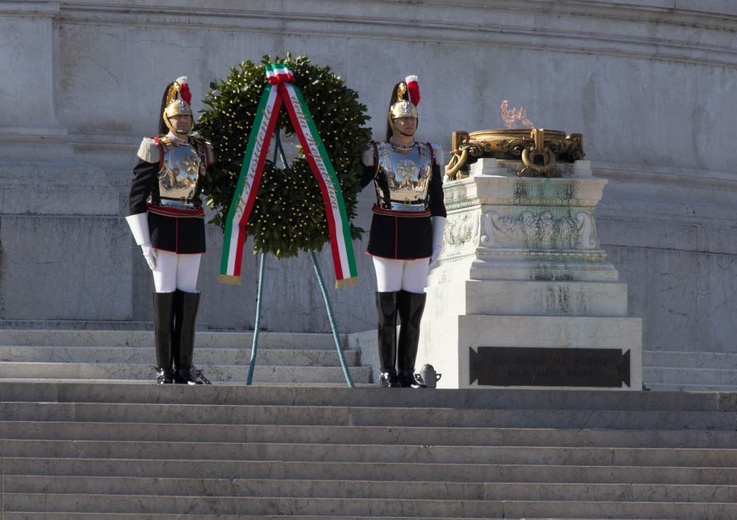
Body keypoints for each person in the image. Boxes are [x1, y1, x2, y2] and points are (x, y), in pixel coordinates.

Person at [126, 76, 214, 384]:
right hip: (161, 226)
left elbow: (212, 186)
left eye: (187, 116)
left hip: (190, 226)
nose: (183, 121)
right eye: (178, 116)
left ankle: (185, 367)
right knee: (164, 296)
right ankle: (164, 367)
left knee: (187, 297)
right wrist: (143, 242)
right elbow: (136, 197)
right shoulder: (154, 148)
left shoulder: (202, 149)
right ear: (167, 117)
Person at [361, 75, 446, 388]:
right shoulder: (377, 152)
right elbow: (351, 184)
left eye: (412, 117)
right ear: (392, 120)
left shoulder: (429, 154)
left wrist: (437, 243)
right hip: (386, 233)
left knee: (413, 309)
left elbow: (437, 203)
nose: (409, 123)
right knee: (387, 309)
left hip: (418, 236)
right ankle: (387, 371)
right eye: (403, 118)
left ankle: (407, 371)